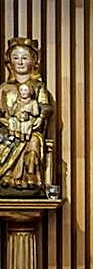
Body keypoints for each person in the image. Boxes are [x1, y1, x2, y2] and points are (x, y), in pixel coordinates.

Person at [0, 37, 54, 192]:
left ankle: (29, 180)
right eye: (16, 58)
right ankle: (7, 177)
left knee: (33, 144)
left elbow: (46, 107)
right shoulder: (4, 88)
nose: (20, 62)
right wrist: (7, 122)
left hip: (30, 131)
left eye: (25, 58)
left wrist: (40, 118)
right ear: (10, 61)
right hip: (7, 130)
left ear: (33, 61)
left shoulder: (37, 86)